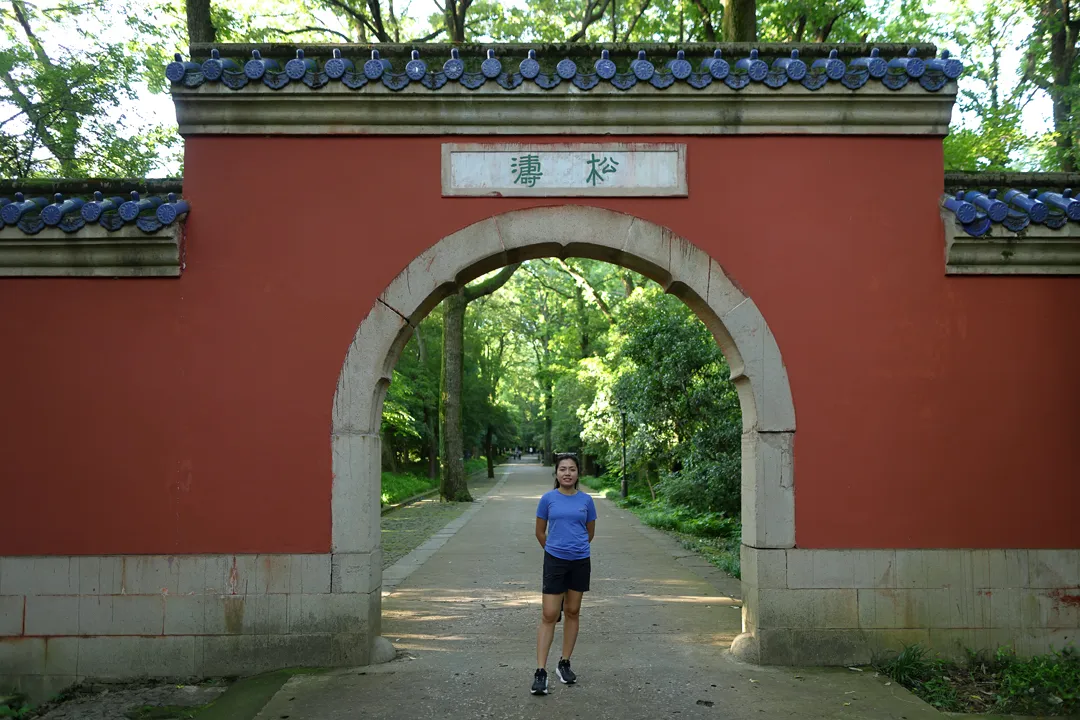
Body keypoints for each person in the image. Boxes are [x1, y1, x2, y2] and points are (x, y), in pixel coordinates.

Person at [531, 452, 597, 695]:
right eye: (563, 469)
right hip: (555, 561)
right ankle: (540, 672)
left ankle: (564, 663)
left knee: (572, 611)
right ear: (556, 473)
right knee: (549, 614)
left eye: (572, 469)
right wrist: (554, 550)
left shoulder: (587, 501)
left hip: (580, 561)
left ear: (578, 473)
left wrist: (575, 548)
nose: (567, 473)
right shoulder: (548, 499)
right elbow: (540, 532)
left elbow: (589, 532)